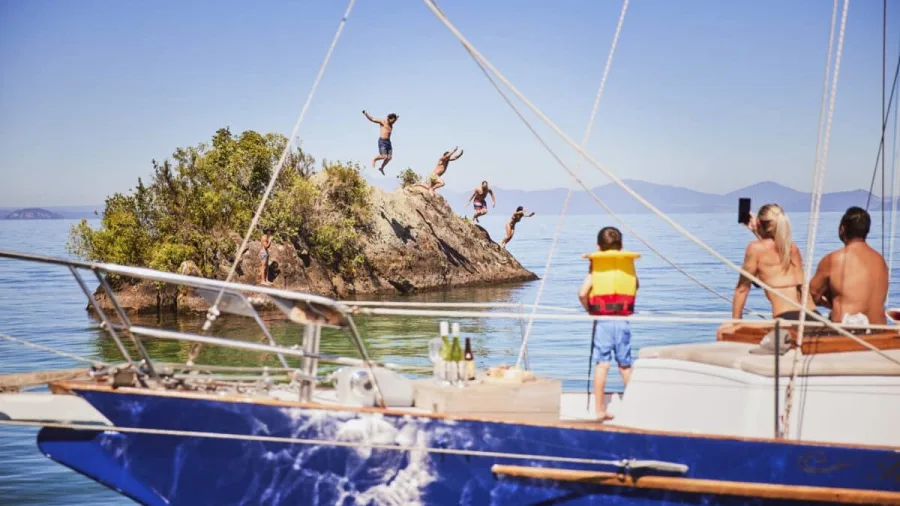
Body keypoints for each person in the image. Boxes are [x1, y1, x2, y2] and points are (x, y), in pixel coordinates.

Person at [718, 204, 817, 339]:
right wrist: (757, 231)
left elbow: (742, 288)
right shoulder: (793, 248)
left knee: (723, 331)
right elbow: (775, 251)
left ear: (759, 223)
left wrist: (736, 324)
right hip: (813, 316)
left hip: (787, 321)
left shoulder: (755, 248)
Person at [578, 226, 638, 421]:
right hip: (622, 321)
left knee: (602, 365)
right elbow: (635, 285)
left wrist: (589, 309)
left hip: (603, 321)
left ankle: (599, 410)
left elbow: (582, 293)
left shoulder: (596, 269)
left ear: (598, 246)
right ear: (621, 246)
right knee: (625, 365)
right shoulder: (626, 268)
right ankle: (636, 409)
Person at [809, 207, 888, 326]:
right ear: (867, 230)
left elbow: (811, 294)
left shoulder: (833, 259)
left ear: (842, 229)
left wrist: (829, 302)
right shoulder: (880, 261)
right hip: (881, 332)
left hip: (848, 333)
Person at [362, 110, 398, 175]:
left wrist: (397, 117)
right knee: (383, 156)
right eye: (392, 121)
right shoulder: (383, 122)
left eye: (394, 121)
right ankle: (374, 159)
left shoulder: (392, 123)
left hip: (388, 142)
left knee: (389, 157)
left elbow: (396, 119)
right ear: (389, 119)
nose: (393, 122)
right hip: (382, 141)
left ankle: (381, 168)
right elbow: (372, 119)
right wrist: (366, 113)